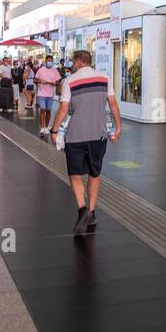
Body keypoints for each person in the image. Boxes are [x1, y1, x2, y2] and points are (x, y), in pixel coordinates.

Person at [48, 50, 121, 233]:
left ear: (80, 62)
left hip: (75, 136)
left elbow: (64, 108)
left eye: (73, 61)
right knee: (94, 174)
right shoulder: (104, 78)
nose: (72, 64)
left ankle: (82, 209)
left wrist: (54, 130)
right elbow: (112, 103)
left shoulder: (69, 81)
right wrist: (118, 127)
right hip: (99, 135)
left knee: (75, 174)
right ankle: (92, 212)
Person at [35, 57, 62, 135]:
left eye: (51, 61)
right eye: (48, 60)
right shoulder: (40, 70)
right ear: (45, 61)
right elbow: (35, 79)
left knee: (48, 111)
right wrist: (39, 81)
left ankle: (46, 127)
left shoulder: (55, 71)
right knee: (42, 109)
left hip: (50, 94)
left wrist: (54, 84)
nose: (49, 62)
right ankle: (42, 127)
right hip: (41, 93)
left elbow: (58, 82)